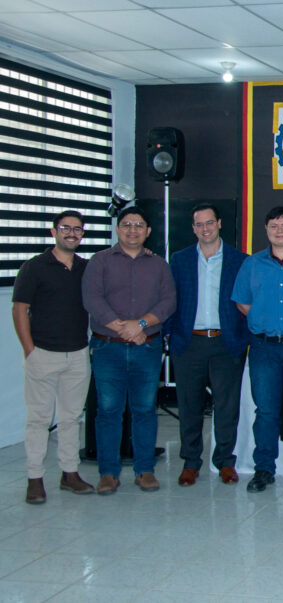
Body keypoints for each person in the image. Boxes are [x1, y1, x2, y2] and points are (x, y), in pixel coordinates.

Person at [82, 206, 176, 495]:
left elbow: (168, 302)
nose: (132, 230)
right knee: (108, 410)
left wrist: (141, 324)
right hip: (107, 347)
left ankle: (145, 470)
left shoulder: (159, 265)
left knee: (145, 409)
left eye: (138, 225)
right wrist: (123, 328)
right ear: (117, 229)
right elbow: (92, 299)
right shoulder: (99, 261)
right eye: (126, 224)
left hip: (146, 348)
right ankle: (108, 473)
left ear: (148, 231)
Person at [231, 206, 283, 493]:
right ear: (266, 230)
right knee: (266, 412)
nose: (280, 231)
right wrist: (262, 319)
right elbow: (242, 301)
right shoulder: (251, 264)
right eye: (274, 226)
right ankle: (264, 469)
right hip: (263, 348)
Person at [13, 210, 94, 504]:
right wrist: (30, 351)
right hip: (43, 354)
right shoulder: (34, 267)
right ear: (54, 232)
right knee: (39, 420)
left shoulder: (86, 268)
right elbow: (19, 309)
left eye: (77, 229)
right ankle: (35, 479)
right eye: (65, 228)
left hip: (78, 354)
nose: (71, 233)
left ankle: (69, 474)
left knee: (71, 418)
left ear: (82, 234)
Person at [165, 204, 248, 487]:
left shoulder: (239, 260)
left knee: (227, 406)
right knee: (189, 406)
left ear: (219, 223)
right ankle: (190, 462)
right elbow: (170, 299)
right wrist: (170, 335)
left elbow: (247, 301)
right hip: (190, 342)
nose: (205, 229)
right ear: (193, 228)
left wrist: (242, 338)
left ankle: (225, 461)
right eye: (199, 224)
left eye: (209, 223)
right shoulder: (180, 260)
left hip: (226, 343)